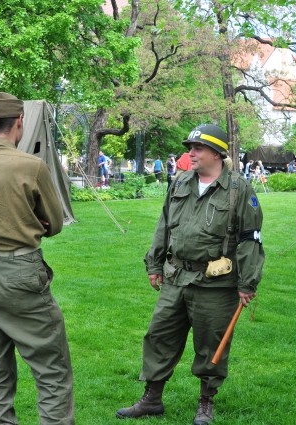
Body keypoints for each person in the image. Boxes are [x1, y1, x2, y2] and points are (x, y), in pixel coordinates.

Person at [116, 124, 264, 425]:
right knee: (159, 336)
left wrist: (248, 282)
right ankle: (152, 399)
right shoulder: (180, 182)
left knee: (212, 344)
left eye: (197, 148)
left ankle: (205, 404)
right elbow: (164, 225)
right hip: (176, 278)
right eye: (190, 147)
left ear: (216, 153)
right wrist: (155, 264)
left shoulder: (238, 189)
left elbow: (251, 239)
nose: (190, 153)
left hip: (216, 284)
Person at [0, 92, 75, 425]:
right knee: (52, 369)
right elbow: (53, 222)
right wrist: (29, 220)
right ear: (20, 123)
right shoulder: (32, 166)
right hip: (21, 271)